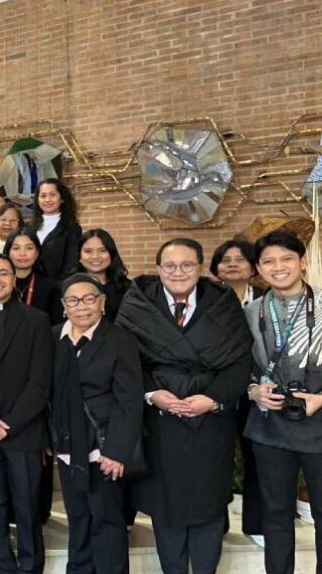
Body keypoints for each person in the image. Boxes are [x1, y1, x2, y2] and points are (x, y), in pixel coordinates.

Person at [116, 238, 252, 574]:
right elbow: (124, 361)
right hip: (159, 420)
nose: (179, 272)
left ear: (201, 267)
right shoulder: (136, 304)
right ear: (159, 269)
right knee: (167, 505)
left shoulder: (224, 303)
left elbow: (240, 362)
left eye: (187, 265)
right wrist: (152, 394)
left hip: (211, 422)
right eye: (170, 266)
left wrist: (213, 399)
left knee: (208, 503)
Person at [51, 273, 144, 574]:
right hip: (67, 444)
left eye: (89, 299)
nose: (82, 307)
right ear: (64, 306)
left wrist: (117, 451)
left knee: (107, 520)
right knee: (78, 518)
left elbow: (129, 401)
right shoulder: (53, 338)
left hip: (103, 446)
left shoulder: (119, 340)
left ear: (102, 302)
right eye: (73, 300)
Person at [0, 253, 53, 574]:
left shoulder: (37, 320)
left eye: (3, 273)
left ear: (13, 278)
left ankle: (31, 568)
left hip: (25, 431)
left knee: (28, 505)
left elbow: (39, 382)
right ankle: (2, 566)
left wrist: (11, 422)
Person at [244, 230, 322, 574]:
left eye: (287, 258)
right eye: (268, 261)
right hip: (269, 426)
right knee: (275, 513)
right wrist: (252, 391)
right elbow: (238, 366)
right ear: (258, 269)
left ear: (301, 262)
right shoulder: (251, 312)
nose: (278, 267)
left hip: (319, 423)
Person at [210, 237, 265, 545]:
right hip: (216, 391)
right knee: (215, 458)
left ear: (253, 266)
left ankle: (256, 525)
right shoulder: (207, 298)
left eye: (240, 258)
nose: (232, 263)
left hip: (256, 391)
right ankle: (215, 524)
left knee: (255, 457)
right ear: (216, 268)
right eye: (225, 258)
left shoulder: (265, 299)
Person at [75, 229, 131, 322]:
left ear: (112, 254)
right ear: (79, 256)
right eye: (88, 251)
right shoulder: (68, 289)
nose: (95, 256)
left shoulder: (127, 288)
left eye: (102, 250)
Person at [30, 179, 81, 281]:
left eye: (52, 195)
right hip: (32, 287)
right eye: (43, 196)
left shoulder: (72, 228)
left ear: (62, 199)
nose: (47, 200)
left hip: (59, 287)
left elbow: (72, 264)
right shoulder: (28, 228)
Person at [5, 228, 62, 318]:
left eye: (29, 248)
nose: (22, 253)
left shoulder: (51, 288)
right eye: (16, 248)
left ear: (37, 253)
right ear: (8, 253)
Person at [211, 238, 263, 307]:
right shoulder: (205, 296)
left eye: (240, 260)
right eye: (225, 260)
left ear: (253, 269)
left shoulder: (265, 298)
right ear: (216, 270)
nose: (232, 264)